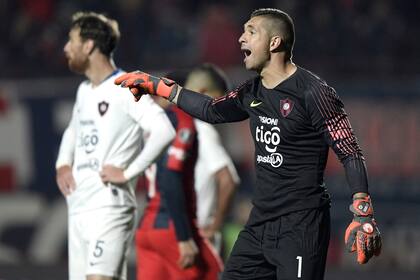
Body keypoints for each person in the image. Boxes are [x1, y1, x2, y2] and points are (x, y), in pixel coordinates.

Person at [115, 8, 382, 280]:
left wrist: (363, 212)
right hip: (259, 224)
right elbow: (212, 109)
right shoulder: (251, 91)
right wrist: (159, 86)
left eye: (251, 32)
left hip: (301, 226)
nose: (241, 38)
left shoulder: (314, 92)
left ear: (274, 42)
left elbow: (349, 151)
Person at [55, 11, 175, 280]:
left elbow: (164, 131)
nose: (65, 48)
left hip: (110, 204)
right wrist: (63, 163)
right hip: (79, 207)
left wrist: (129, 172)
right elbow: (72, 130)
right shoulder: (84, 90)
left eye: (71, 40)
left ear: (88, 45)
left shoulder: (125, 86)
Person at [135, 98, 223, 280]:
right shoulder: (181, 117)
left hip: (146, 229)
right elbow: (170, 175)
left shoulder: (153, 124)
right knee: (216, 274)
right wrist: (183, 237)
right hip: (172, 229)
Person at [183, 64, 240, 255]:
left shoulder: (167, 123)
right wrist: (214, 227)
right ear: (202, 93)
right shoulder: (201, 129)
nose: (221, 113)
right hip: (198, 235)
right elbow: (228, 180)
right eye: (218, 102)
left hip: (171, 231)